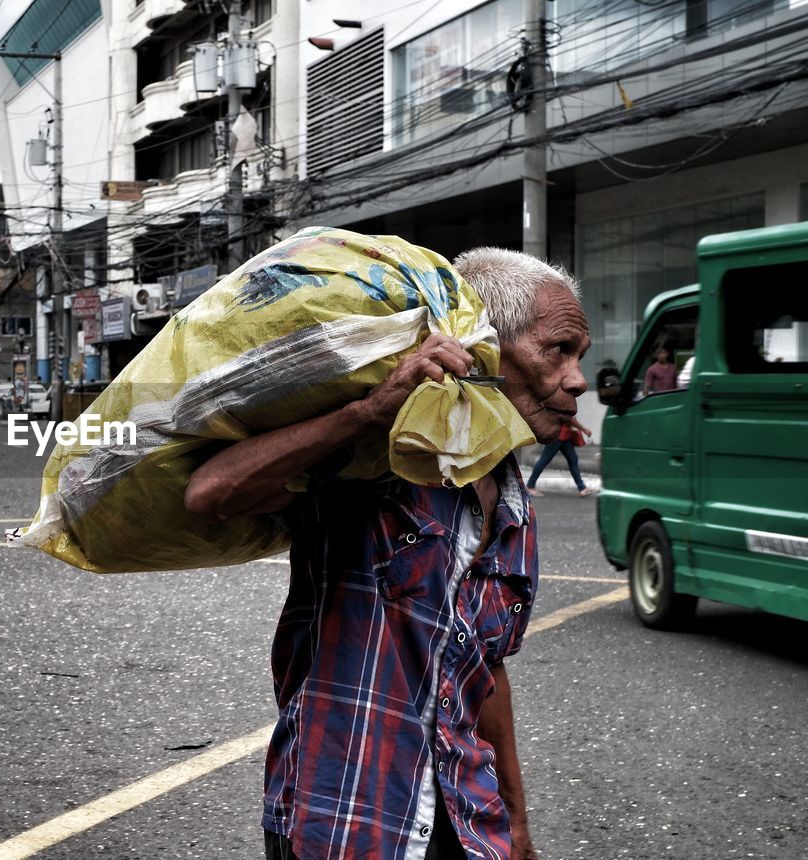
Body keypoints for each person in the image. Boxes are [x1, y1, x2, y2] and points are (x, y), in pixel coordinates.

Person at [185, 247, 589, 860]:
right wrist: (369, 411)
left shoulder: (514, 504)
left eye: (579, 355)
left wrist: (516, 820)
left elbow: (487, 670)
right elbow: (209, 493)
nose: (578, 378)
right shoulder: (375, 463)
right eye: (557, 349)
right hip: (346, 819)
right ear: (481, 343)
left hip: (466, 821)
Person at [526, 415, 596, 497]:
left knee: (573, 459)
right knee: (544, 460)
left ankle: (582, 488)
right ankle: (530, 486)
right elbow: (571, 418)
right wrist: (584, 430)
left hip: (564, 436)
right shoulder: (565, 402)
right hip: (557, 436)